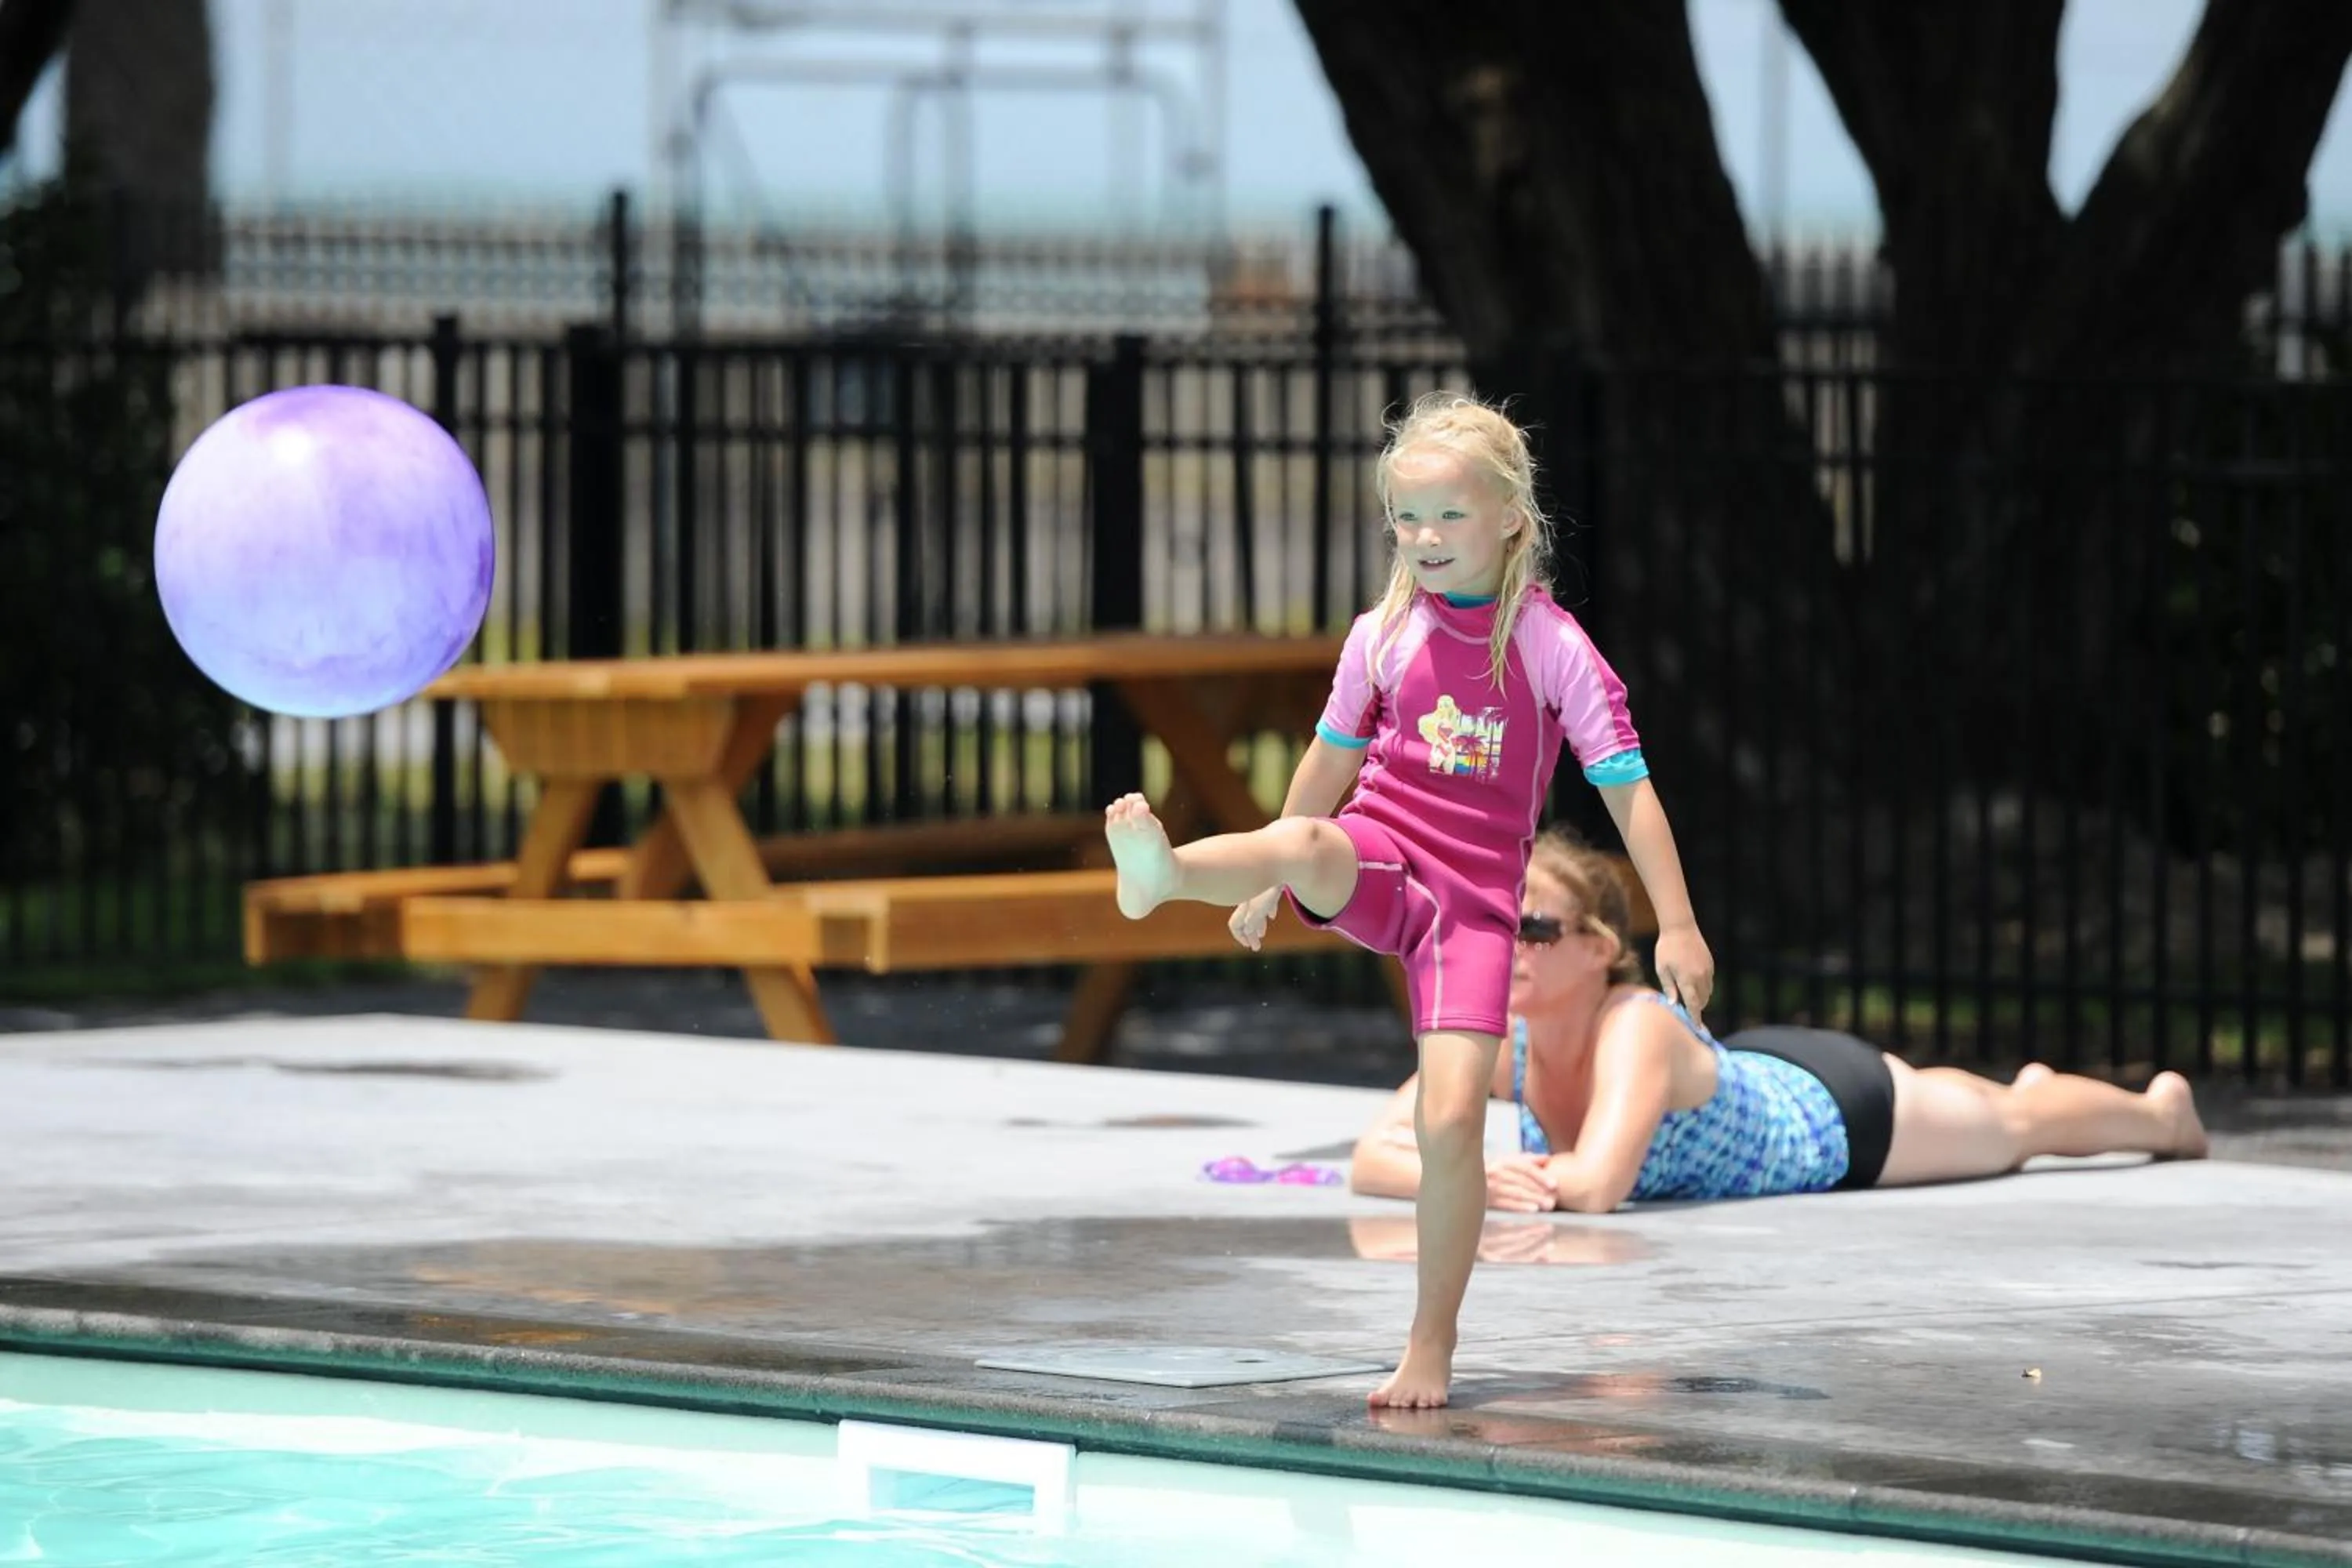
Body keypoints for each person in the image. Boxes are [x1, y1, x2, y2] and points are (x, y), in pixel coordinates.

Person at [1102, 390, 1715, 1410]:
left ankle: (1429, 1348)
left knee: (1450, 1119)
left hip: (1474, 903)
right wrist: (1266, 877)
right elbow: (1327, 763)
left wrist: (1682, 924)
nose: (1425, 539)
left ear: (1512, 518)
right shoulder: (1383, 633)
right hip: (1382, 853)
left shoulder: (1552, 646)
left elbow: (1631, 791)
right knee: (1299, 839)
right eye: (1407, 518)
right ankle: (1165, 876)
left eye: (1449, 516)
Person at [1349, 827, 2209, 1221]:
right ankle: (2038, 1086)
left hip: (1834, 1116)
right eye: (1501, 926)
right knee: (1992, 1103)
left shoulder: (1635, 1027)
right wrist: (1471, 1175)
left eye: (1534, 927)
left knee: (2016, 1128)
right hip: (1755, 1069)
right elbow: (1373, 1153)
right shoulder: (1508, 1044)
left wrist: (1479, 1173)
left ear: (1600, 948)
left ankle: (2161, 1115)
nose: (1511, 945)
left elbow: (1600, 1185)